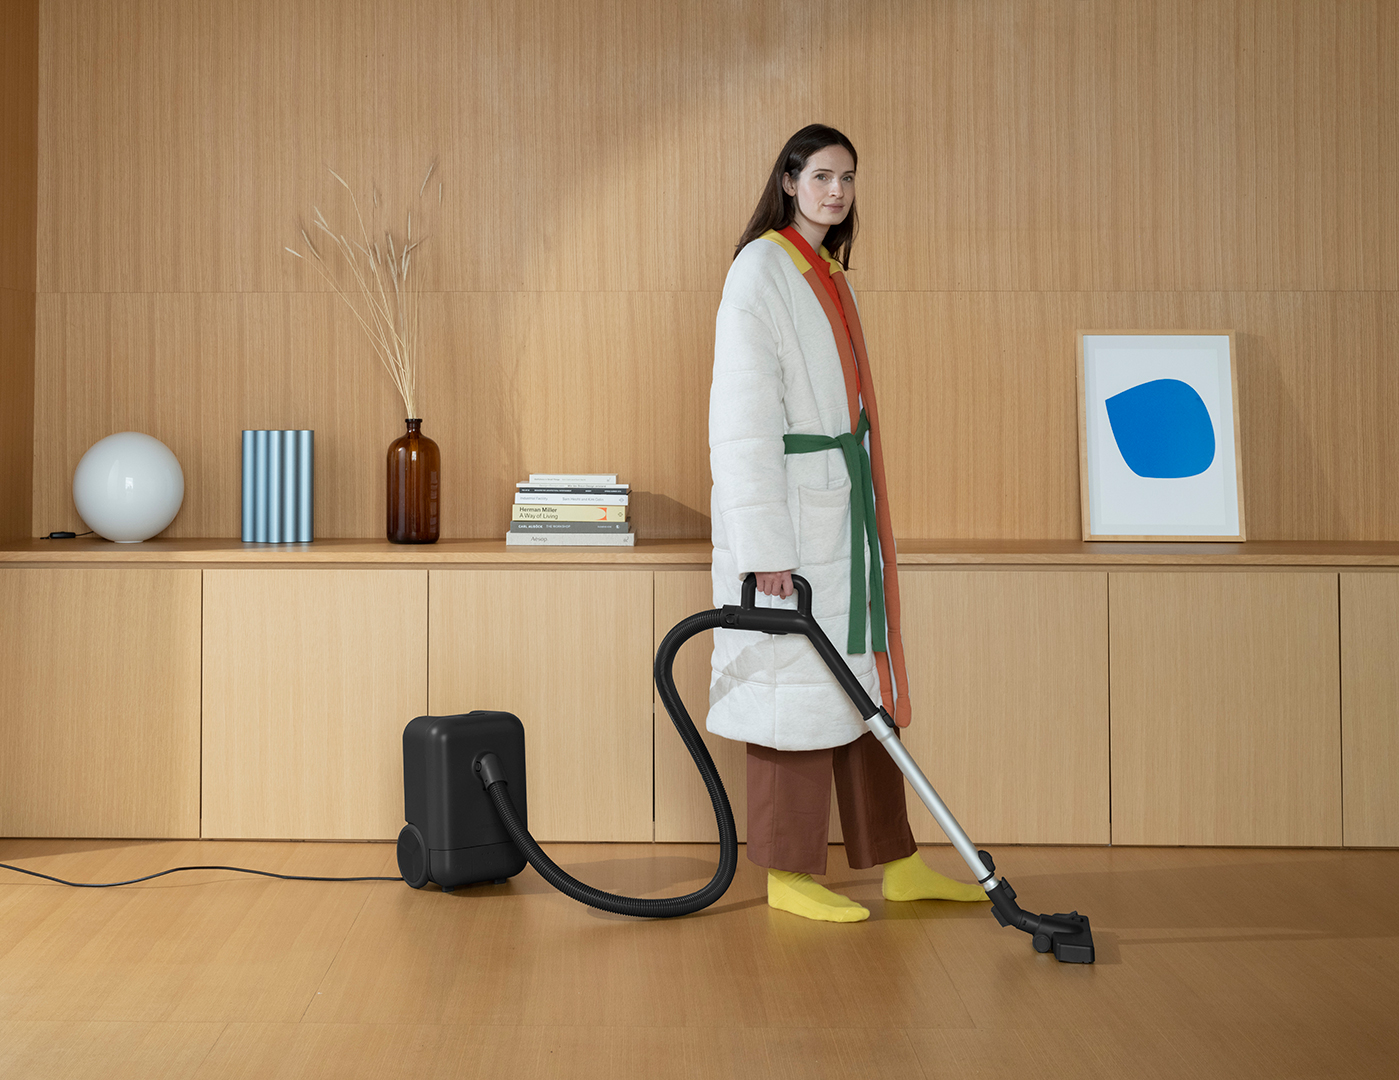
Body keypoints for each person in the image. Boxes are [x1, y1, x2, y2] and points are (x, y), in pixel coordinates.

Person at [708, 124, 987, 923]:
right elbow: (740, 420)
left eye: (848, 178)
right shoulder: (760, 269)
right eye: (821, 175)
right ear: (789, 180)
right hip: (791, 518)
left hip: (842, 508)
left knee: (860, 684)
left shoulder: (827, 272)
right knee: (791, 689)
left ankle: (894, 863)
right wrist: (764, 548)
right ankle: (787, 875)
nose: (836, 191)